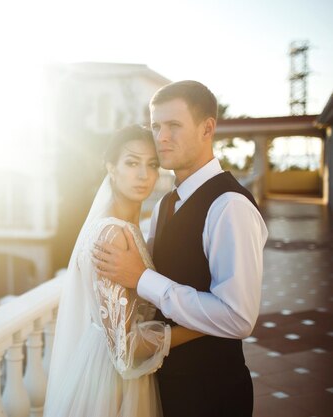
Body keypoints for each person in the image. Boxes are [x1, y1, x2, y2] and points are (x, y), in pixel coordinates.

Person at [93, 81, 268, 417]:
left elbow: (238, 317)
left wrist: (141, 278)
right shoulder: (166, 203)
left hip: (212, 392)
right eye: (156, 126)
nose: (161, 137)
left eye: (174, 125)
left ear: (207, 128)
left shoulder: (230, 205)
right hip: (167, 386)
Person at [44, 125, 205, 417]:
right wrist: (202, 326)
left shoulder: (126, 227)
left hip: (117, 375)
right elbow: (125, 349)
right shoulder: (112, 235)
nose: (143, 175)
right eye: (131, 163)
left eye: (152, 164)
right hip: (111, 386)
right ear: (111, 168)